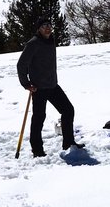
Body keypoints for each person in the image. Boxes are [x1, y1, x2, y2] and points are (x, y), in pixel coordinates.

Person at [16, 16, 83, 157]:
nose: (47, 28)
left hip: (52, 85)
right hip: (38, 88)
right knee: (39, 118)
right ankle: (37, 150)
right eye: (44, 26)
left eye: (49, 25)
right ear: (39, 29)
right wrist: (26, 84)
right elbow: (21, 64)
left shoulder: (50, 41)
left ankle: (68, 142)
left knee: (68, 110)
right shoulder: (33, 44)